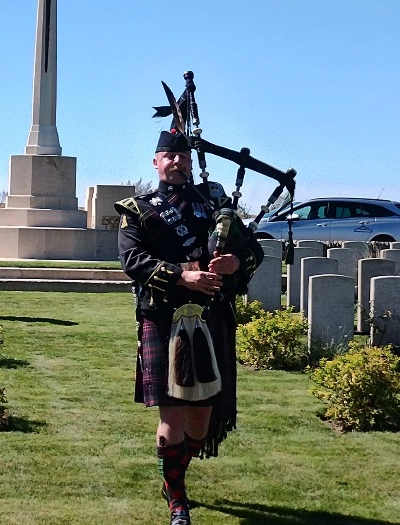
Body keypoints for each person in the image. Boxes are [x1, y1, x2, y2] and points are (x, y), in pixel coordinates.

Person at [115, 130, 263, 525]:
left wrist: (234, 262)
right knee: (174, 415)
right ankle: (177, 499)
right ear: (156, 162)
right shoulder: (138, 209)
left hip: (210, 315)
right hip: (163, 318)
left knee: (201, 418)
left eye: (183, 157)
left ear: (190, 162)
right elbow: (133, 260)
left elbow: (253, 251)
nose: (177, 163)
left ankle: (174, 474)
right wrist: (183, 276)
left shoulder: (214, 205)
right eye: (169, 157)